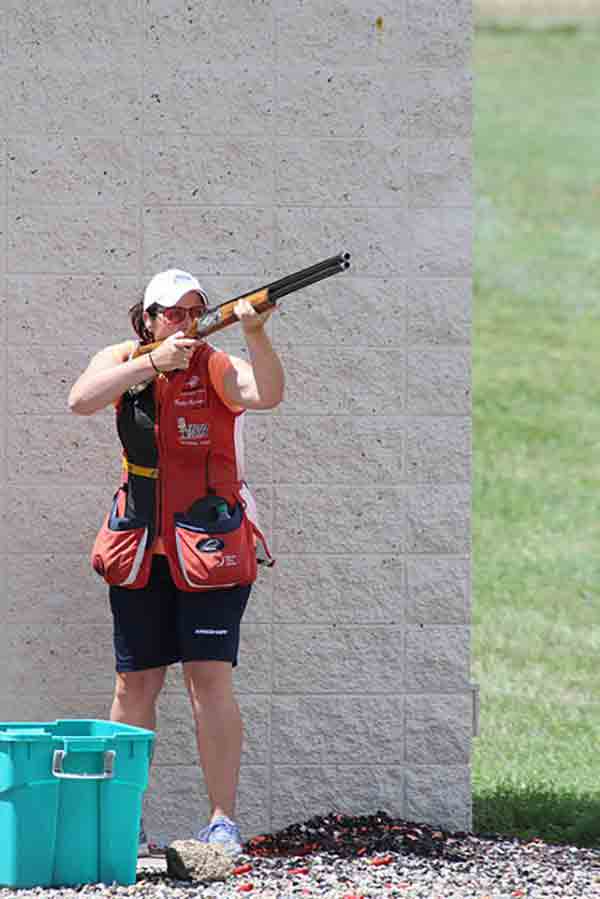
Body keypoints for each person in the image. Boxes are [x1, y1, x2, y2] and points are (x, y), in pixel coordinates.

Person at [68, 268, 284, 857]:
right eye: (172, 312)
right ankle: (123, 822)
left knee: (208, 680)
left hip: (210, 548)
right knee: (134, 684)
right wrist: (152, 363)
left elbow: (263, 392)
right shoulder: (124, 357)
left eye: (195, 311)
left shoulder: (214, 363)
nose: (184, 321)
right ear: (148, 317)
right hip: (140, 547)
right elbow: (81, 399)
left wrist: (257, 335)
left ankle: (222, 822)